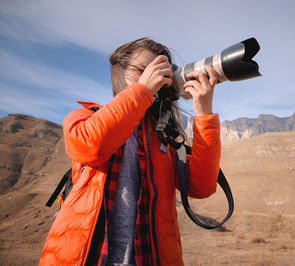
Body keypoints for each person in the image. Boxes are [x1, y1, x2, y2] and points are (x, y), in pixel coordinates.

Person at [39, 38, 221, 265]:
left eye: (161, 71)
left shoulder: (164, 135)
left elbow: (201, 187)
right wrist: (143, 90)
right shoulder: (84, 117)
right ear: (120, 74)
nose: (156, 76)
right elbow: (91, 146)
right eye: (144, 70)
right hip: (87, 258)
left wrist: (204, 114)